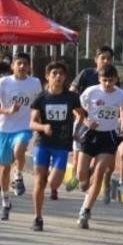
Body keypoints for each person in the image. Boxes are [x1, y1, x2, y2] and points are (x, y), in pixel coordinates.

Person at [0, 53, 42, 221]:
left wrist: (40, 122)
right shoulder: (4, 82)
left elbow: (40, 104)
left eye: (25, 64)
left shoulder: (35, 83)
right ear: (12, 66)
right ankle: (5, 203)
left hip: (23, 127)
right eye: (19, 63)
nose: (22, 67)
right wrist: (7, 111)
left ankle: (18, 176)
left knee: (20, 147)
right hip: (4, 129)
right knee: (3, 170)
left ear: (29, 66)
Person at [29, 61, 82, 231]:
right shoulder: (41, 98)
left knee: (53, 183)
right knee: (39, 181)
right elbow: (32, 123)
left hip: (61, 143)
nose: (58, 76)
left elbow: (81, 115)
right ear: (47, 77)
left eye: (61, 74)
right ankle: (37, 218)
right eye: (54, 74)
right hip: (42, 143)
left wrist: (77, 129)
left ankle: (51, 178)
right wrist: (43, 127)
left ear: (65, 77)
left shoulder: (71, 97)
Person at [74, 64, 123, 230]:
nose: (107, 84)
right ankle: (86, 177)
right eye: (104, 80)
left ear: (116, 80)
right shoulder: (90, 92)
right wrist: (85, 121)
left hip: (108, 136)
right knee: (81, 177)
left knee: (98, 174)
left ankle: (85, 210)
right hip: (90, 135)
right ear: (99, 79)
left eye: (111, 81)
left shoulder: (122, 94)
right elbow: (78, 110)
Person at [68, 45, 115, 194]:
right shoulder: (86, 74)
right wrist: (79, 114)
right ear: (96, 60)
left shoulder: (113, 77)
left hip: (103, 125)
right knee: (77, 157)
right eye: (103, 58)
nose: (106, 61)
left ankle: (88, 175)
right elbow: (71, 93)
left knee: (100, 159)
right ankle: (78, 176)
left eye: (109, 58)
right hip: (83, 120)